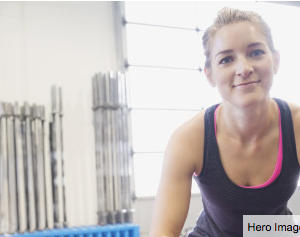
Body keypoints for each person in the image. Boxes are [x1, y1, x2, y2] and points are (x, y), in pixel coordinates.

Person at [149, 7, 300, 237]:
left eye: (256, 52)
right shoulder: (188, 139)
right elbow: (163, 232)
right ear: (210, 74)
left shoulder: (296, 126)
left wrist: (285, 230)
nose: (244, 69)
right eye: (227, 59)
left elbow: (256, 229)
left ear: (276, 60)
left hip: (276, 232)